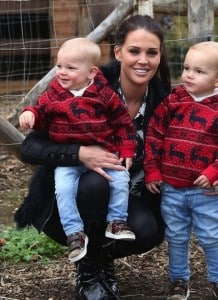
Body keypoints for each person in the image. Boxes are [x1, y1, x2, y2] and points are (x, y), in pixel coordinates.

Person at [15, 16, 218, 300]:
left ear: (160, 57)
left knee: (147, 228)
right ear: (118, 52)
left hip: (126, 200)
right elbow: (29, 148)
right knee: (96, 182)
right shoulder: (83, 84)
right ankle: (89, 268)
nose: (142, 60)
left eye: (151, 52)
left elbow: (205, 144)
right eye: (134, 51)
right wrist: (80, 154)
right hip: (66, 202)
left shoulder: (167, 101)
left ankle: (100, 258)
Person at [19, 38, 137, 263]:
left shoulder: (103, 94)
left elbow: (122, 122)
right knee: (63, 189)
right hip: (68, 159)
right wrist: (30, 115)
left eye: (70, 68)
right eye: (59, 66)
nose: (62, 72)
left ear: (91, 72)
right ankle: (74, 232)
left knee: (121, 179)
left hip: (103, 152)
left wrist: (126, 148)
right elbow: (41, 114)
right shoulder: (54, 93)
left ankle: (117, 221)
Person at [144, 41, 218, 300]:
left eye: (199, 71)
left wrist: (214, 172)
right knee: (176, 237)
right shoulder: (173, 102)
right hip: (171, 187)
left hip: (205, 191)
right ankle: (178, 280)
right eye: (187, 68)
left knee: (210, 236)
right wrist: (153, 170)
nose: (188, 75)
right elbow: (154, 134)